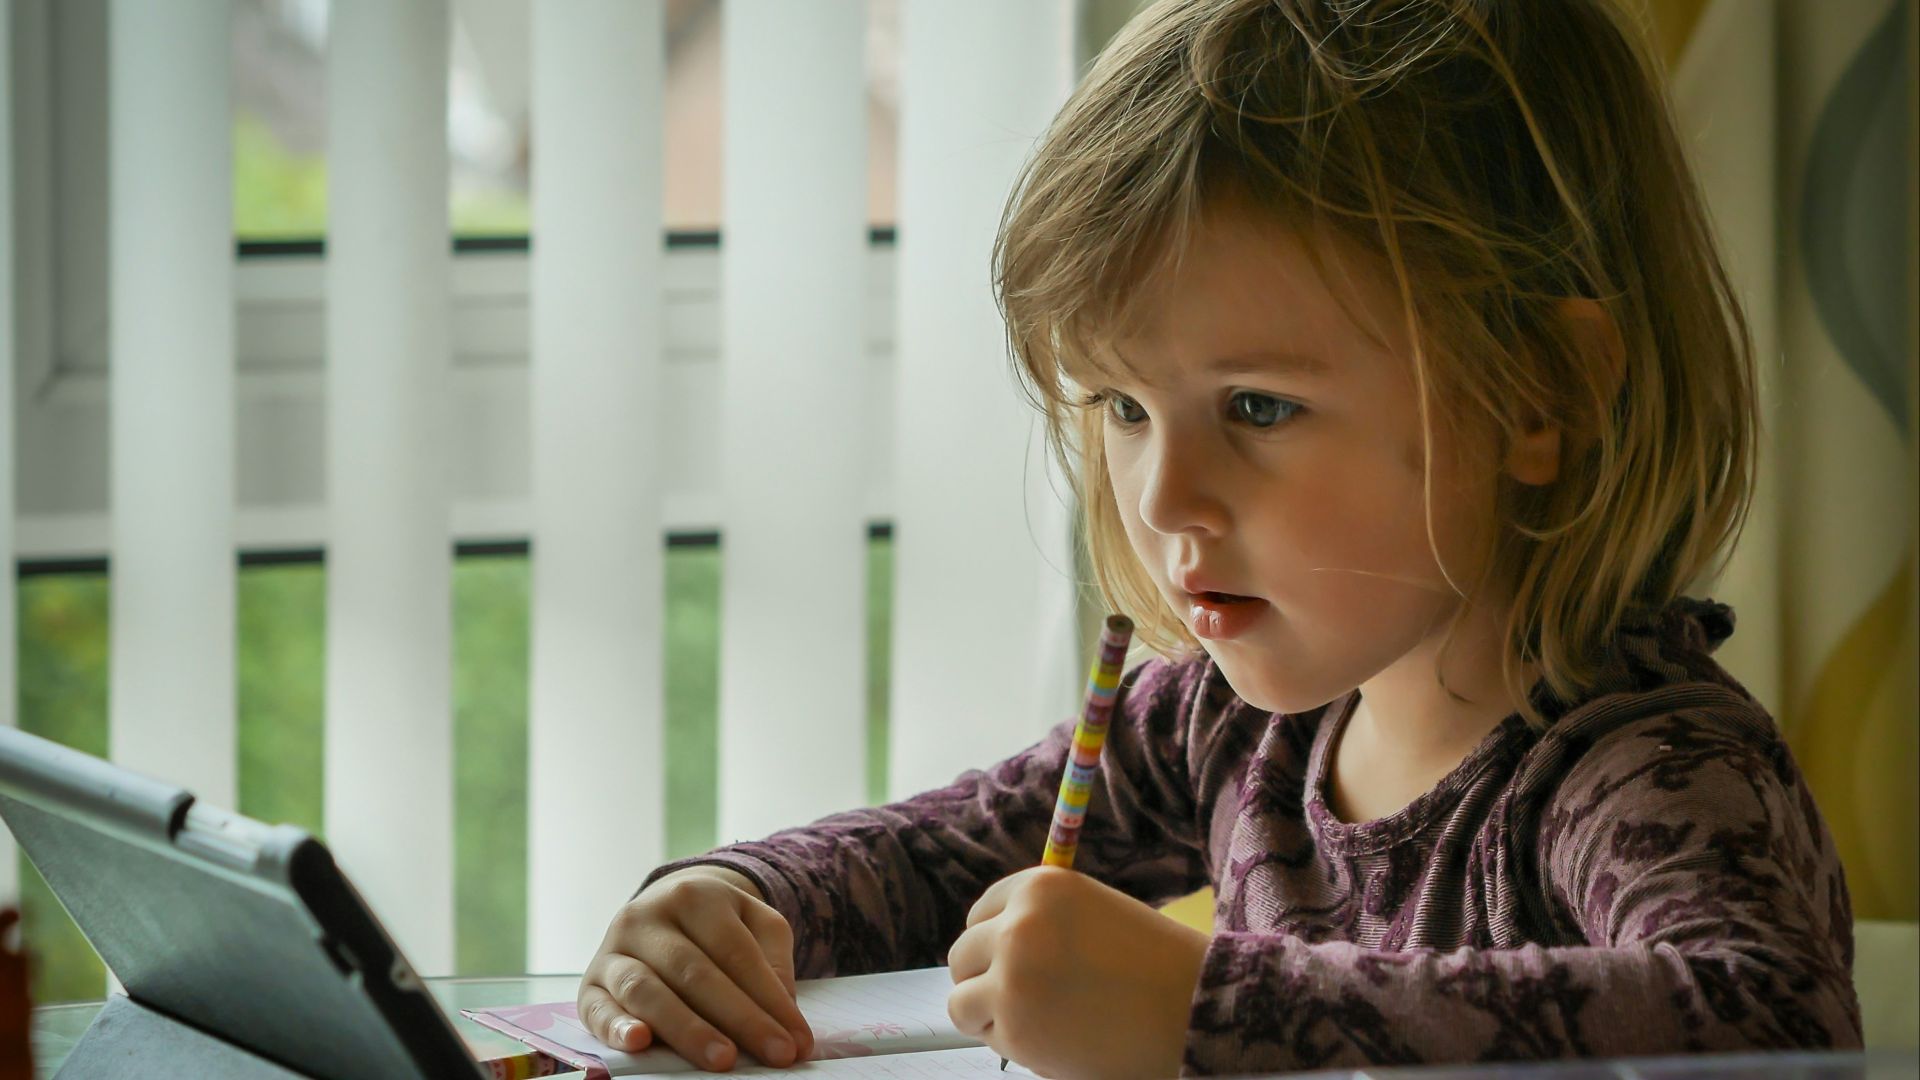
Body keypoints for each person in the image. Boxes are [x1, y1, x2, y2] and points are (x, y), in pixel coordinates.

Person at [576, 0, 1863, 1075]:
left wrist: (1209, 1008)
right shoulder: (1217, 728)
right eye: (1125, 408)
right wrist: (733, 904)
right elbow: (925, 858)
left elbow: (1772, 1024)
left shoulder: (1646, 769)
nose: (1163, 498)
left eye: (1258, 406)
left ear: (1541, 398)